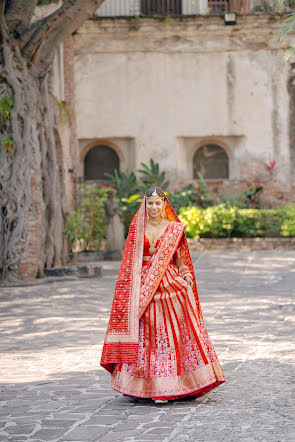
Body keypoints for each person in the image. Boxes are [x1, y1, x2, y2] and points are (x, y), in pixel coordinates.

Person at [100, 186, 226, 403]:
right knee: (147, 336)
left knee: (171, 335)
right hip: (143, 286)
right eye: (150, 203)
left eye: (158, 203)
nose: (154, 207)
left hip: (169, 286)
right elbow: (130, 261)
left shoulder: (174, 229)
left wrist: (185, 275)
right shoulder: (137, 228)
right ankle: (143, 384)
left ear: (165, 205)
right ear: (145, 204)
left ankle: (180, 382)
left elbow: (180, 259)